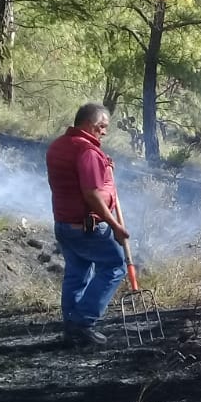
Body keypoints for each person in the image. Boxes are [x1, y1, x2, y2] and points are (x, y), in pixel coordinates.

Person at [45, 103, 130, 346]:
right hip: (86, 227)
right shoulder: (87, 152)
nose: (104, 132)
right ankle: (82, 323)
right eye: (102, 127)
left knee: (77, 274)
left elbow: (76, 178)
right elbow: (91, 194)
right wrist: (114, 224)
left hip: (63, 224)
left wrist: (103, 168)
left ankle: (70, 328)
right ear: (90, 125)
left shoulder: (58, 145)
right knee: (115, 266)